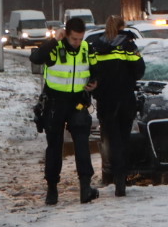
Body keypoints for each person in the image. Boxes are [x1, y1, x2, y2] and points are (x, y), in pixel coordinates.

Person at [29, 15, 98, 205]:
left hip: (78, 102)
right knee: (54, 146)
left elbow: (95, 69)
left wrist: (95, 82)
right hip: (55, 102)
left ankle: (85, 187)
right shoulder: (55, 47)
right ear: (66, 34)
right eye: (74, 38)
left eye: (80, 39)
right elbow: (35, 57)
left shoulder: (86, 48)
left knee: (82, 143)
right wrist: (54, 40)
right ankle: (52, 189)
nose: (77, 43)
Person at [88, 15, 145, 196]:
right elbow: (139, 70)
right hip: (125, 98)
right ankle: (121, 179)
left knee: (112, 140)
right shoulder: (128, 45)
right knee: (124, 139)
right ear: (122, 26)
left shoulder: (96, 46)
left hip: (105, 100)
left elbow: (92, 72)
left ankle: (115, 175)